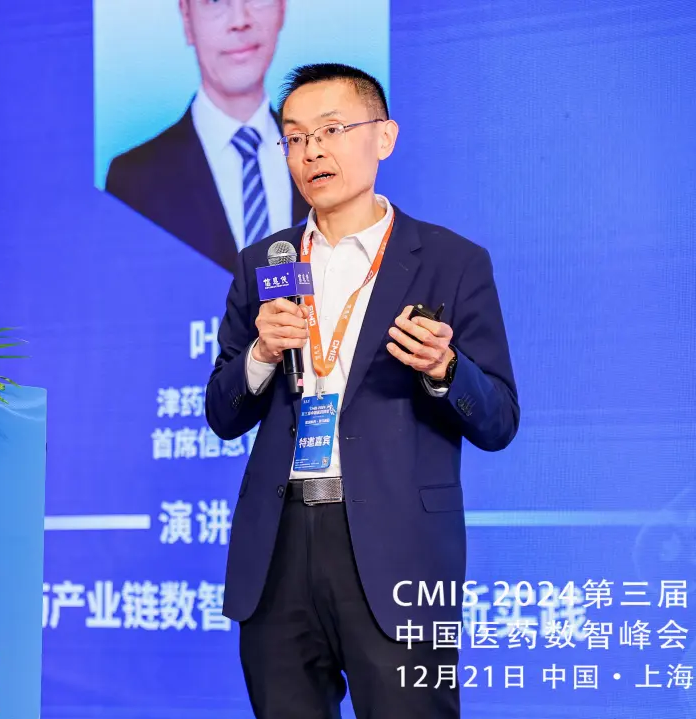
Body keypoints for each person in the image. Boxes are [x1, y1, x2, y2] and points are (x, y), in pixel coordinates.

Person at [205, 63, 520, 718]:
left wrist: (444, 368)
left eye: (331, 130)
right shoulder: (265, 263)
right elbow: (221, 412)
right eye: (295, 137)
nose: (311, 152)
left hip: (398, 548)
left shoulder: (451, 261)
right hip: (279, 549)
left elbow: (498, 419)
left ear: (384, 137)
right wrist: (261, 353)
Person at [105, 0, 310, 272]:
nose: (240, 20)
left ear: (282, 8)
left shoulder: (325, 157)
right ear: (186, 18)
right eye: (215, 1)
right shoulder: (134, 180)